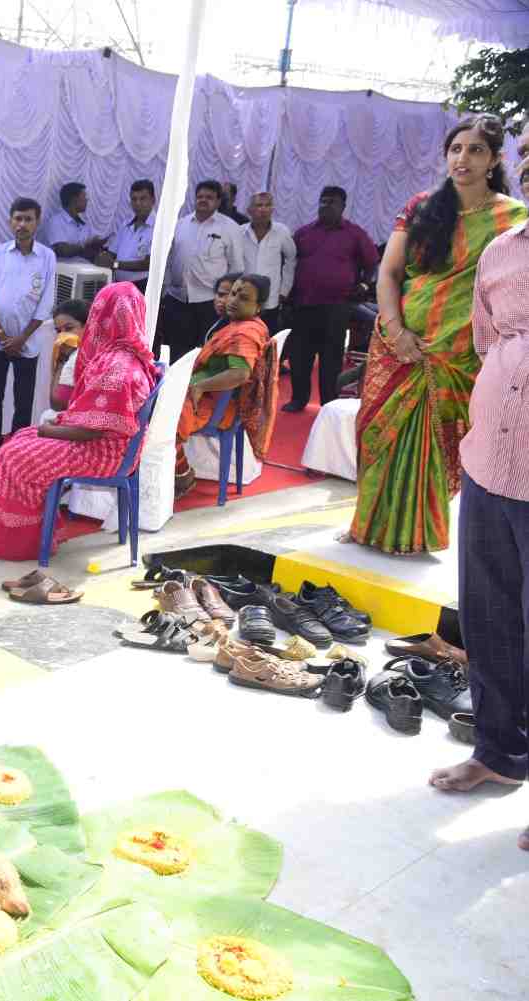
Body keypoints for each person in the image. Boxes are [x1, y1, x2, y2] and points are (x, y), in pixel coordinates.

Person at [348, 115, 526, 554]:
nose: (463, 158)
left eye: (476, 150)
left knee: (434, 444)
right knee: (379, 436)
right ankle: (368, 528)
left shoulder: (513, 218)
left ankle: (416, 537)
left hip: (461, 353)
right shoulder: (422, 206)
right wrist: (397, 330)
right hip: (399, 343)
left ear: (495, 160)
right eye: (456, 149)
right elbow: (388, 273)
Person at [428, 182, 529, 852]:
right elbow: (487, 338)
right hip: (491, 465)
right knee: (488, 617)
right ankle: (500, 751)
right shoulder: (500, 251)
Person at [0, 283, 157, 561]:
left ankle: (21, 543)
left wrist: (49, 430)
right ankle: (36, 530)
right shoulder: (126, 355)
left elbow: (90, 431)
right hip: (109, 444)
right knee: (21, 438)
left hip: (102, 453)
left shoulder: (118, 366)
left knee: (14, 456)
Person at [174, 274, 280, 497]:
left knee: (160, 423)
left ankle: (181, 475)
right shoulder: (239, 325)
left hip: (217, 406)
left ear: (258, 306)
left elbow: (240, 374)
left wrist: (200, 386)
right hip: (207, 397)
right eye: (233, 294)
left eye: (243, 298)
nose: (233, 301)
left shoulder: (244, 333)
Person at [286, 185, 380, 411]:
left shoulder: (354, 233)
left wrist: (365, 284)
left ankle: (328, 403)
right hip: (303, 304)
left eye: (331, 202)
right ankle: (299, 399)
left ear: (342, 206)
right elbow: (289, 263)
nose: (325, 206)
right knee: (300, 356)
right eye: (323, 201)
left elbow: (373, 262)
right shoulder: (304, 232)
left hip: (337, 307)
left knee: (331, 357)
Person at [0, 197, 57, 470]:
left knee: (23, 399)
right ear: (10, 220)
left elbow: (46, 301)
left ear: (37, 222)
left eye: (28, 219)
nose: (22, 224)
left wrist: (22, 337)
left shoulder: (47, 256)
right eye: (18, 218)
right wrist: (1, 335)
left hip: (29, 340)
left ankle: (17, 452)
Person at [162, 178, 243, 363]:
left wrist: (225, 300)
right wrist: (165, 292)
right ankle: (177, 390)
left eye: (209, 197)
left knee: (206, 354)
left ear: (218, 201)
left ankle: (200, 390)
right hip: (178, 300)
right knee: (177, 353)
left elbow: (237, 268)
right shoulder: (181, 224)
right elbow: (168, 260)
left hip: (209, 303)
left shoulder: (230, 228)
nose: (203, 200)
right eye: (200, 196)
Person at [238, 192, 295, 336]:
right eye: (259, 205)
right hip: (244, 297)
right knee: (243, 337)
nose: (263, 209)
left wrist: (284, 290)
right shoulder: (239, 232)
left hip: (270, 300)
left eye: (268, 205)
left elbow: (291, 259)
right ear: (249, 210)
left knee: (266, 340)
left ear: (272, 209)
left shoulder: (282, 232)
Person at [98, 179, 155, 291]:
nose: (137, 203)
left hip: (142, 287)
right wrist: (103, 257)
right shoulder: (126, 225)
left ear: (153, 200)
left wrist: (115, 264)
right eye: (134, 199)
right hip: (119, 284)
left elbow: (148, 264)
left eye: (142, 199)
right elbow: (111, 253)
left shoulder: (159, 228)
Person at [42, 181, 106, 264]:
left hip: (84, 270)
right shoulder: (56, 222)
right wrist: (85, 246)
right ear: (75, 200)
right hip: (63, 273)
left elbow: (90, 252)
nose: (87, 200)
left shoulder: (84, 225)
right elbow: (62, 251)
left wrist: (97, 244)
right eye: (84, 196)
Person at [47, 299, 89, 413]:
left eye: (69, 328)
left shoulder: (78, 357)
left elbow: (57, 404)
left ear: (87, 326)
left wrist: (62, 363)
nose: (63, 336)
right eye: (58, 331)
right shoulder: (70, 356)